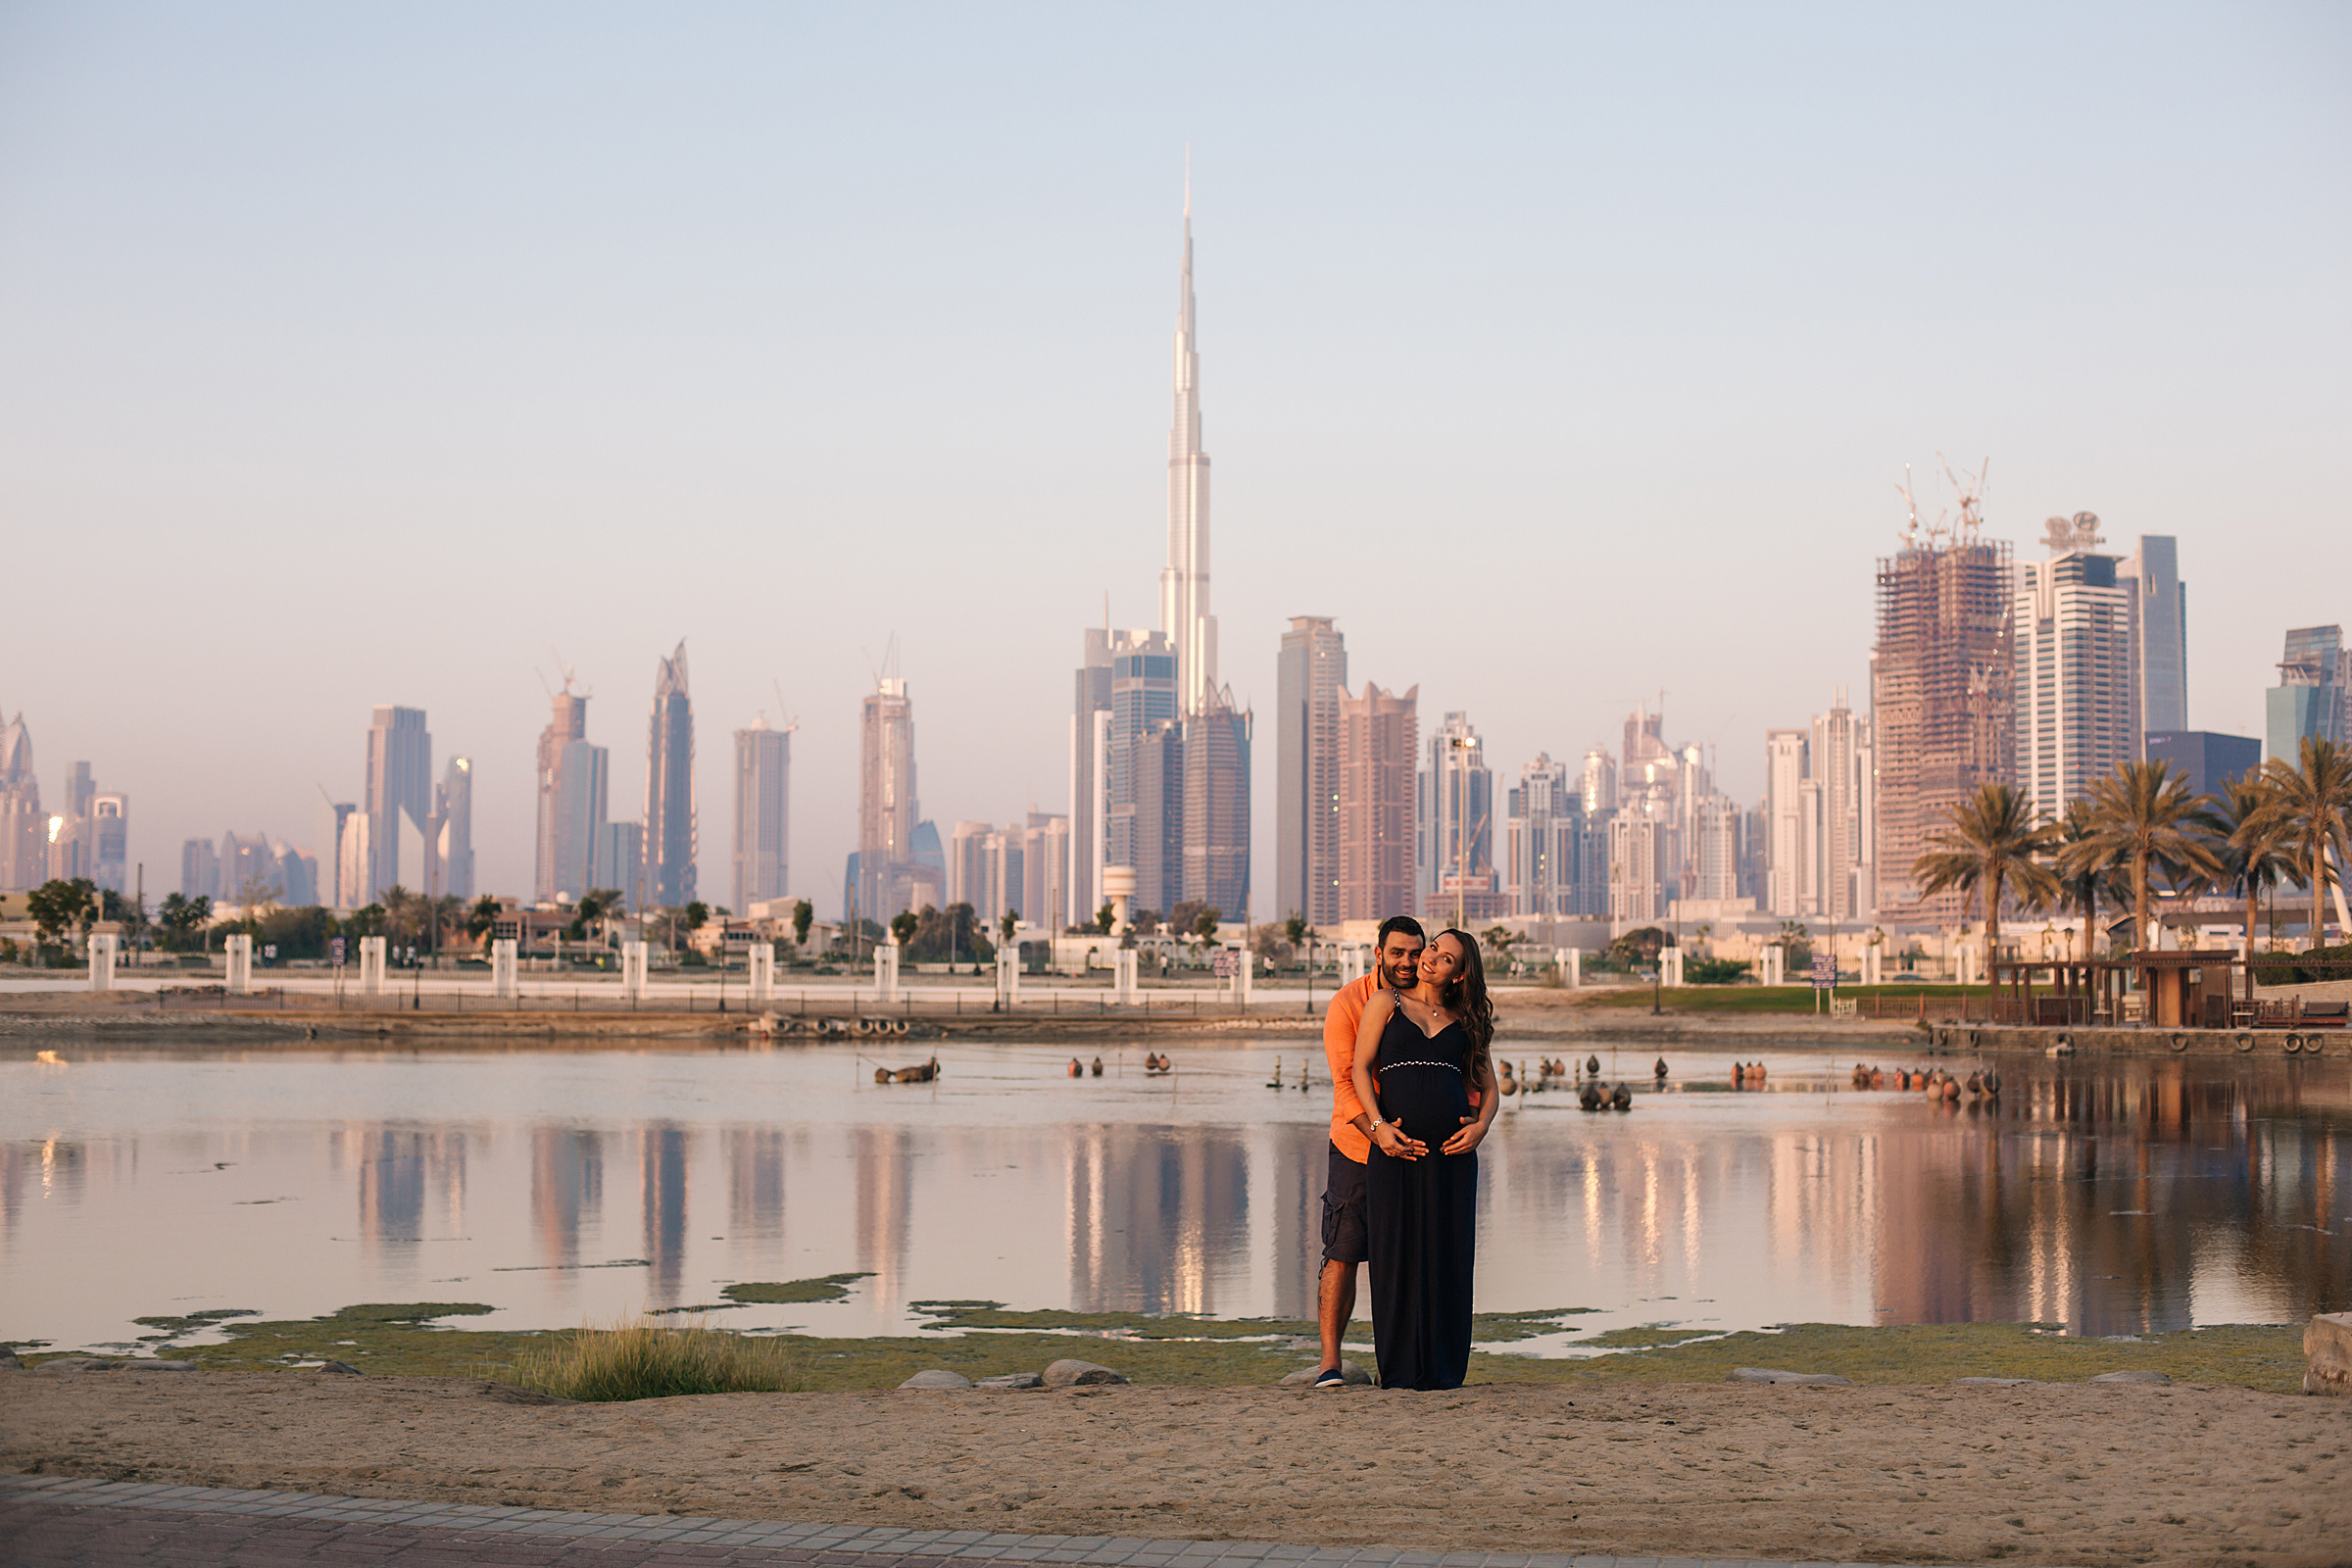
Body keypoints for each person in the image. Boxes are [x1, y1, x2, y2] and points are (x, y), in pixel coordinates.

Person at [1348, 928, 1498, 1392]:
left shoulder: (1465, 1020)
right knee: (1395, 1257)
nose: (1432, 958)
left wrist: (1480, 1127)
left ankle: (1444, 1370)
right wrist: (1378, 1129)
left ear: (1459, 974)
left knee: (1448, 1257)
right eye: (1433, 947)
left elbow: (1490, 1090)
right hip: (1396, 1154)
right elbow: (1357, 1069)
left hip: (1453, 1159)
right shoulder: (1385, 1003)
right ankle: (1398, 1371)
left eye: (1447, 957)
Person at [1311, 915, 1426, 1389]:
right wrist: (1377, 1131)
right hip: (1357, 1146)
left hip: (1417, 1148)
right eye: (1397, 953)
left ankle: (1395, 1365)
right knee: (1343, 1252)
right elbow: (1345, 1083)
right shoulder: (1348, 1002)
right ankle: (1330, 1363)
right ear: (1378, 954)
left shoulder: (1431, 999)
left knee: (1405, 1257)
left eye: (1415, 953)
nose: (1407, 962)